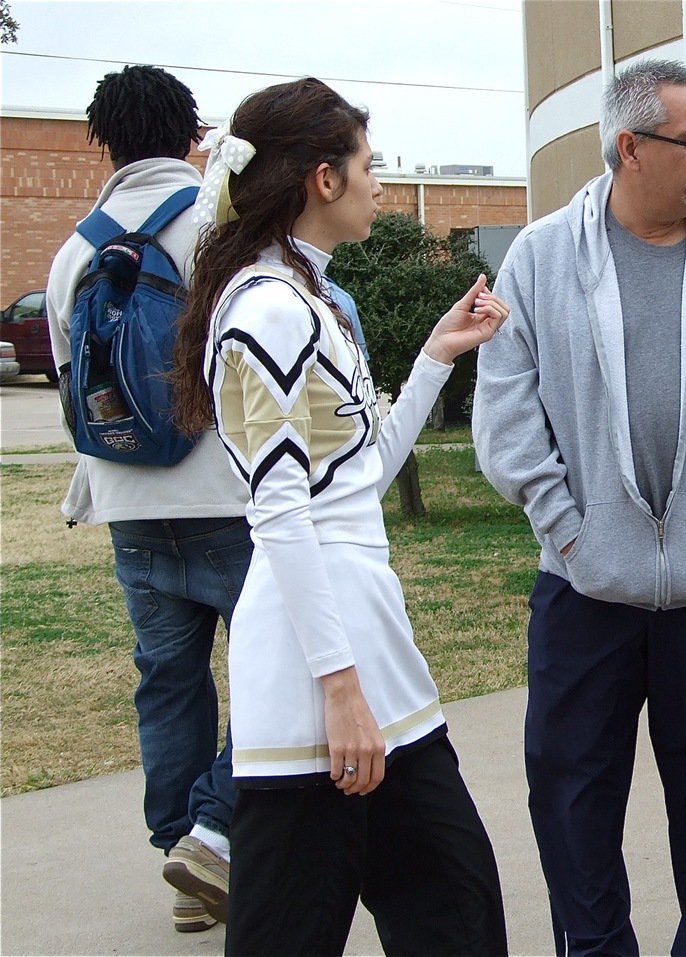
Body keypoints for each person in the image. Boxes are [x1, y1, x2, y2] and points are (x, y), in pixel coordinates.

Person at [473, 59, 686, 956]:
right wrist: (569, 526)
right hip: (584, 592)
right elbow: (506, 412)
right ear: (631, 147)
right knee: (574, 812)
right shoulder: (540, 258)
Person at [170, 77, 508, 956]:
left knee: (457, 909)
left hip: (367, 658)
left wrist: (435, 355)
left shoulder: (303, 296)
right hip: (323, 673)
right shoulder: (272, 309)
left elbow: (353, 484)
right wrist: (340, 688)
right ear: (324, 179)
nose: (380, 183)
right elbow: (279, 514)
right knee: (302, 926)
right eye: (369, 165)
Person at [45, 65, 249, 934]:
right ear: (189, 130)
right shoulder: (214, 222)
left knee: (168, 682)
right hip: (227, 497)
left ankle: (185, 857)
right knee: (283, 677)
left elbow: (69, 385)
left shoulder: (72, 254)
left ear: (105, 142)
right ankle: (214, 834)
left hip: (129, 504)